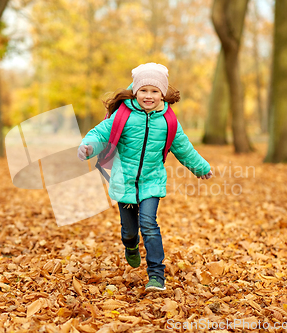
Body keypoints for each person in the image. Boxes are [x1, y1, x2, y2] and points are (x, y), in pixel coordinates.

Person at [77, 63, 212, 292]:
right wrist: (88, 146)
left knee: (149, 224)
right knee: (129, 231)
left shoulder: (168, 121)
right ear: (135, 91)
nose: (148, 96)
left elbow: (183, 148)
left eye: (154, 91)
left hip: (152, 181)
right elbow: (101, 132)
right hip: (125, 181)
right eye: (144, 91)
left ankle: (156, 276)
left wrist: (200, 167)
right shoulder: (123, 115)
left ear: (162, 94)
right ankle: (130, 246)